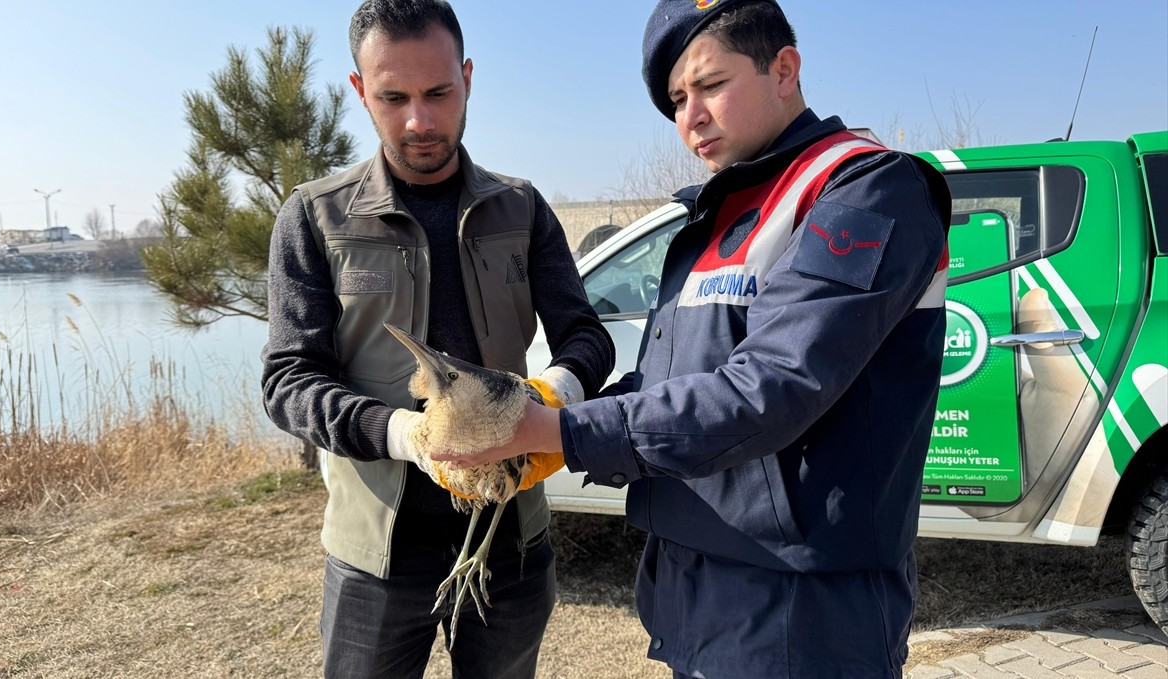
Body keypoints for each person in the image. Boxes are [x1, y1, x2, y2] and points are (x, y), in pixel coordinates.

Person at [439, 1, 951, 677]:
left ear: (784, 69)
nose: (691, 117)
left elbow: (769, 389)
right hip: (696, 581)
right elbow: (673, 383)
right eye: (677, 100)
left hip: (801, 604)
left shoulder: (863, 191)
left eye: (710, 85)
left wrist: (560, 432)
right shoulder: (723, 210)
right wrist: (551, 417)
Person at [260, 1, 615, 676]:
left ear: (468, 78)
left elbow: (586, 336)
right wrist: (406, 436)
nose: (419, 121)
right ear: (359, 89)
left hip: (511, 539)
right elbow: (289, 382)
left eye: (439, 93)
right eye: (393, 98)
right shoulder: (313, 217)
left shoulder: (522, 208)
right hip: (375, 559)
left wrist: (545, 400)